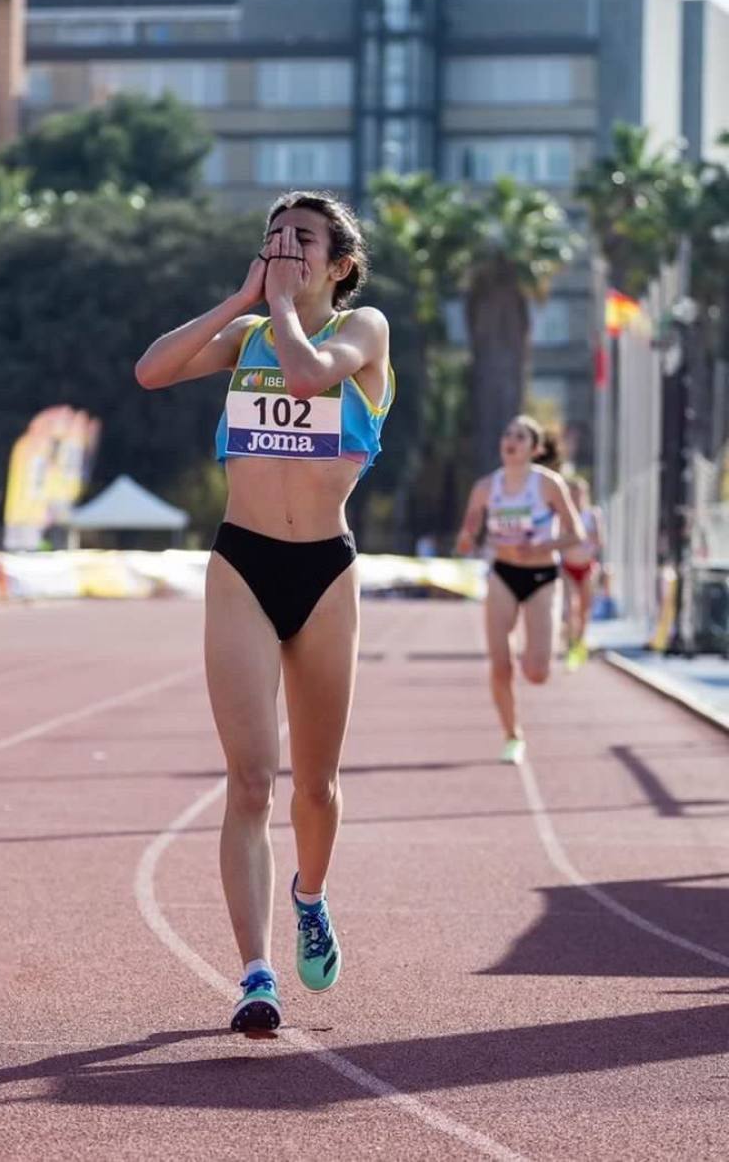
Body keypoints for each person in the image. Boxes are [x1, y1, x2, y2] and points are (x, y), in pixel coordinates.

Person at [135, 191, 394, 1033]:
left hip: (324, 570)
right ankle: (255, 973)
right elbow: (152, 370)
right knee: (251, 781)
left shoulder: (365, 332)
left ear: (340, 264)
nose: (286, 248)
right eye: (275, 236)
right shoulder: (250, 334)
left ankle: (310, 896)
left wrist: (280, 307)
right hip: (242, 563)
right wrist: (243, 301)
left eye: (304, 240)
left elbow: (311, 374)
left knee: (315, 787)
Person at [455, 414, 584, 766]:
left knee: (537, 673)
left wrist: (542, 548)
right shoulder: (485, 487)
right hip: (503, 574)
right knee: (500, 665)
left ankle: (544, 648)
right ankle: (512, 736)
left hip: (542, 577)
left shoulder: (548, 484)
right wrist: (467, 538)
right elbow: (468, 534)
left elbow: (576, 534)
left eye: (520, 437)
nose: (510, 441)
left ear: (535, 448)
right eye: (506, 434)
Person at [561, 476, 604, 669]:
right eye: (572, 494)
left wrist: (586, 537)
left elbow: (601, 541)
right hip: (568, 567)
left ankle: (580, 642)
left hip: (587, 567)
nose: (576, 498)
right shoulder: (564, 516)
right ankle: (571, 645)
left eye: (579, 494)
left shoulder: (593, 514)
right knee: (571, 607)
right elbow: (558, 539)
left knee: (585, 609)